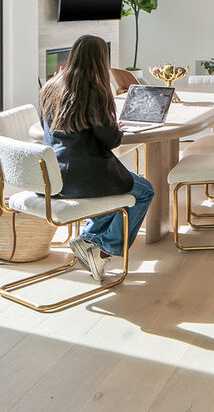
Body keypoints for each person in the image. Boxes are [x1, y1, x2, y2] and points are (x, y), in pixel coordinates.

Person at [40, 35, 153, 281]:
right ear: (101, 61)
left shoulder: (51, 86)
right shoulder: (94, 91)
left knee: (121, 191)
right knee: (143, 191)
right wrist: (117, 127)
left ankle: (86, 239)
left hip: (51, 178)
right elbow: (110, 140)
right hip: (83, 177)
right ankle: (101, 250)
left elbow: (48, 129)